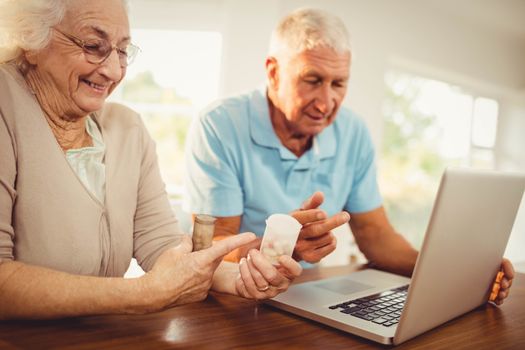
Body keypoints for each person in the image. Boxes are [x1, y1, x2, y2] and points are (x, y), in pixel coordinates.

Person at [184, 8, 514, 304]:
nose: (326, 103)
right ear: (273, 72)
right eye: (312, 80)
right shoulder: (220, 124)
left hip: (302, 294)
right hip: (228, 299)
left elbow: (377, 236)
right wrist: (282, 246)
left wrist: (454, 274)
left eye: (338, 84)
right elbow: (214, 248)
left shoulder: (352, 131)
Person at [0, 0, 302, 320]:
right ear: (30, 38)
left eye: (122, 51)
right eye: (93, 46)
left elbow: (161, 244)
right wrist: (145, 293)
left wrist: (239, 278)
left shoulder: (127, 127)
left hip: (102, 338)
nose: (114, 70)